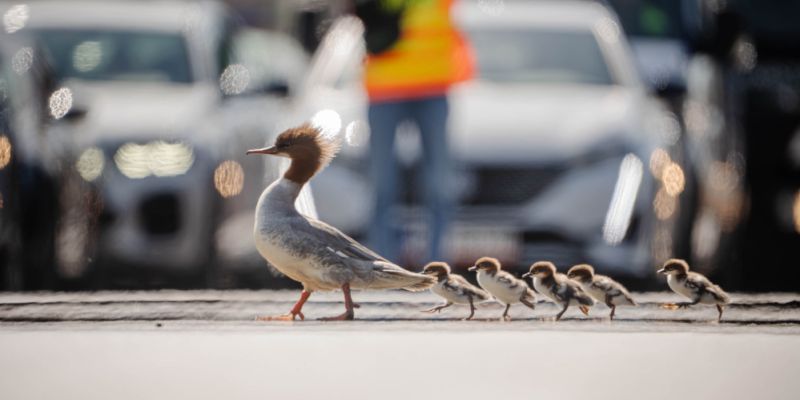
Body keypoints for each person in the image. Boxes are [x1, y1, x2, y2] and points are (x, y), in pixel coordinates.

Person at [358, 0, 473, 263]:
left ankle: (436, 264)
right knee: (383, 182)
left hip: (430, 86)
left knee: (438, 183)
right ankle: (383, 264)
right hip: (387, 87)